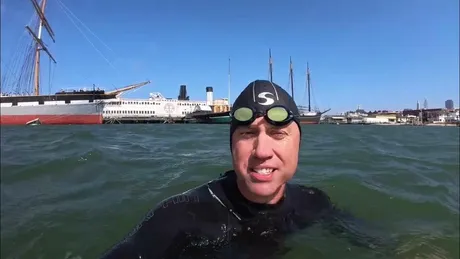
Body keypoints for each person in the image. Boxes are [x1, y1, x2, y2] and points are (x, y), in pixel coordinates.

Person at [100, 80, 394, 259]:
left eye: (278, 135)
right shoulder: (178, 216)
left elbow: (379, 245)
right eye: (248, 134)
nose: (262, 151)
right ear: (231, 146)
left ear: (299, 146)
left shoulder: (313, 202)